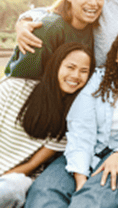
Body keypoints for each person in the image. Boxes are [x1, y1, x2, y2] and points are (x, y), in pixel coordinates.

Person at [25, 28, 118, 208]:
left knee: (97, 197)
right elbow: (81, 128)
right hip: (89, 150)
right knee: (45, 192)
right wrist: (80, 176)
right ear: (116, 56)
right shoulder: (97, 81)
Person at [0, 43, 94, 208]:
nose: (76, 75)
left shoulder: (72, 118)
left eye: (84, 71)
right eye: (70, 67)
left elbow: (31, 165)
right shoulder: (13, 88)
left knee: (10, 188)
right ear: (56, 65)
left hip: (15, 179)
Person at [5, 0, 105, 78]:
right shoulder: (49, 29)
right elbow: (22, 80)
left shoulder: (96, 27)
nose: (93, 3)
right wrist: (23, 21)